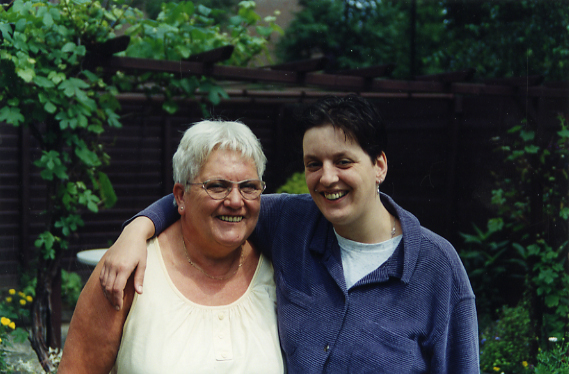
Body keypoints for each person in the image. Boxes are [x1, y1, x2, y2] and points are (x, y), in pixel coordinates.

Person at [100, 95, 480, 373]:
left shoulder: (436, 267)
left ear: (379, 165)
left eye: (343, 162)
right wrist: (137, 229)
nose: (327, 177)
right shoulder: (293, 221)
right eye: (314, 164)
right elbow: (206, 199)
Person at [59, 120, 284, 374]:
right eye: (217, 187)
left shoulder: (279, 267)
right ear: (180, 196)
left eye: (248, 187)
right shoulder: (129, 268)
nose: (235, 201)